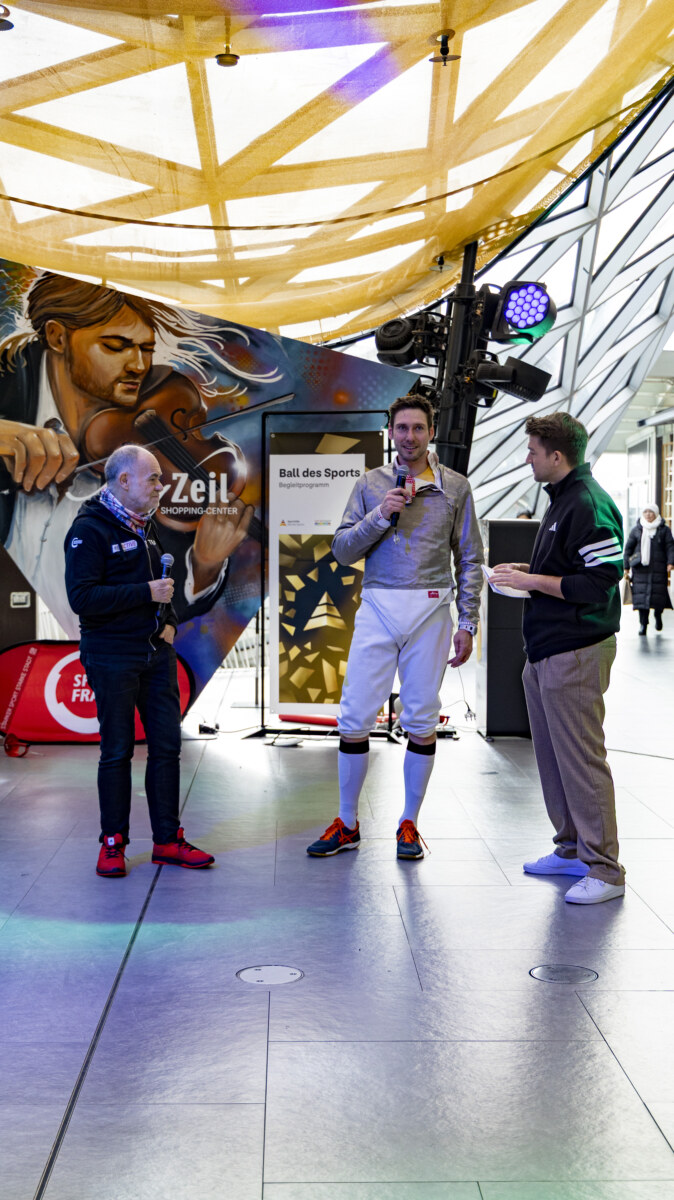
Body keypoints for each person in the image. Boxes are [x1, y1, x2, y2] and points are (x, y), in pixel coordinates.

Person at [0, 271, 254, 635]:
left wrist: (204, 565)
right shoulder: (8, 386)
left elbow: (164, 595)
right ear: (57, 336)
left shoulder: (149, 445)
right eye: (116, 345)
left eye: (146, 349)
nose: (138, 365)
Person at [306, 393, 483, 861]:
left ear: (431, 432)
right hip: (378, 607)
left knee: (422, 718)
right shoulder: (370, 484)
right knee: (353, 717)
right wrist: (381, 514)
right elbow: (343, 549)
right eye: (402, 428)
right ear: (390, 432)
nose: (410, 437)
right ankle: (347, 822)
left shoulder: (456, 486)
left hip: (431, 610)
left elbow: (469, 558)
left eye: (418, 428)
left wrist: (468, 621)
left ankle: (409, 823)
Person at [492, 412, 625, 905]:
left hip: (576, 651)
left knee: (582, 761)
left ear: (556, 455)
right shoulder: (561, 500)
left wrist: (529, 581)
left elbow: (601, 580)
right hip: (547, 650)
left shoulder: (587, 503)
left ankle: (605, 870)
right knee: (553, 758)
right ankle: (571, 848)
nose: (527, 458)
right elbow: (569, 567)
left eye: (532, 451)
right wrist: (526, 571)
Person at [64, 443, 214, 877]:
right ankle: (112, 843)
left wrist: (169, 623)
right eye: (153, 478)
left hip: (155, 654)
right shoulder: (88, 530)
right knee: (117, 751)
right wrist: (145, 594)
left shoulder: (144, 525)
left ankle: (167, 840)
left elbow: (164, 583)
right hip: (111, 654)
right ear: (124, 480)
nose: (161, 485)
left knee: (167, 748)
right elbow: (82, 598)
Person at [623, 503, 674, 634]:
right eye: (645, 512)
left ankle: (658, 616)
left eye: (651, 512)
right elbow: (628, 549)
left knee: (658, 596)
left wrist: (670, 562)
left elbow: (670, 547)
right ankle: (643, 624)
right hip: (640, 569)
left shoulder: (664, 530)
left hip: (659, 569)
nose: (648, 514)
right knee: (641, 598)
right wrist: (626, 567)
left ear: (656, 513)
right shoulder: (637, 530)